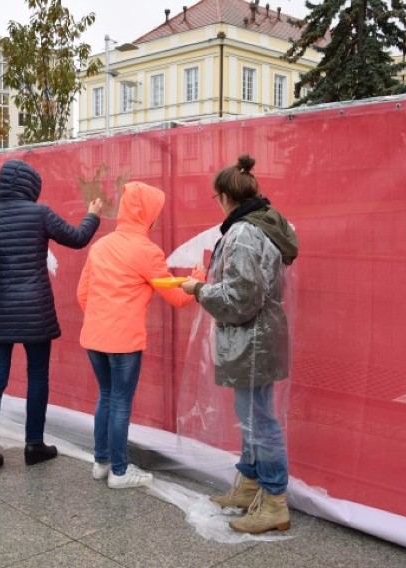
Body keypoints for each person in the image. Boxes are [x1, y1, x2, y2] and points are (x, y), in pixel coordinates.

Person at [180, 154, 298, 534]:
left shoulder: (244, 232)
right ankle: (249, 487)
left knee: (259, 420)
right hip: (258, 338)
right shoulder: (262, 225)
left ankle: (275, 501)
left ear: (225, 197)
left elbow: (242, 296)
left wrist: (199, 289)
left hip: (252, 340)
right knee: (253, 417)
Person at [0, 159, 102, 476]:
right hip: (34, 308)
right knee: (38, 375)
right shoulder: (39, 213)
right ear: (31, 186)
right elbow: (77, 237)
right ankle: (34, 445)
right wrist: (93, 214)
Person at [77, 181, 202, 489]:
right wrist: (198, 277)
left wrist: (101, 318)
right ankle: (120, 472)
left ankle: (102, 462)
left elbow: (82, 294)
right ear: (147, 215)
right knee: (120, 402)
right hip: (124, 341)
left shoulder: (100, 247)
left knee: (105, 397)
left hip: (94, 337)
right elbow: (176, 296)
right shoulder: (147, 251)